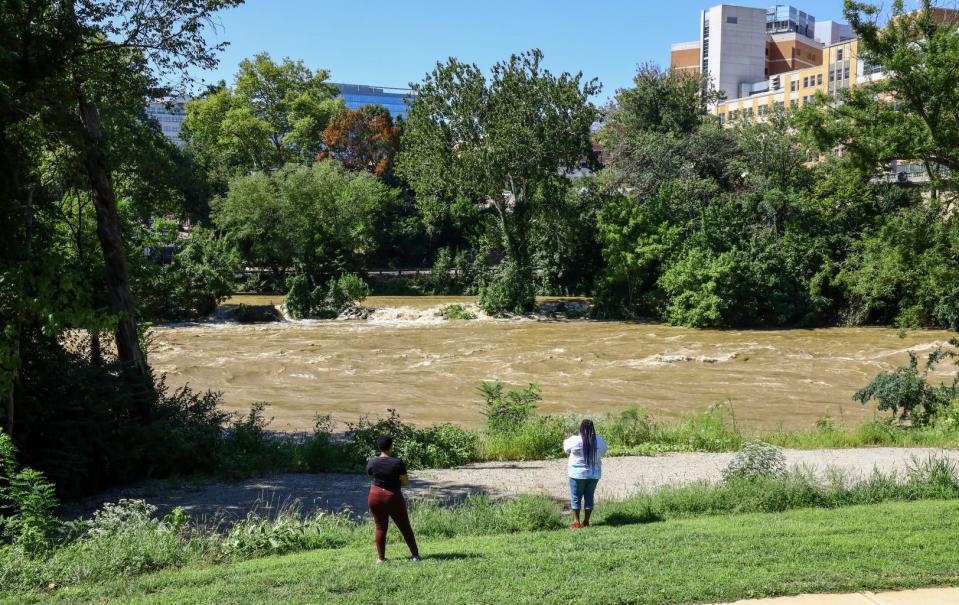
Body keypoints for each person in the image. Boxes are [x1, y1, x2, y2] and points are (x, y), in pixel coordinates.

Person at [366, 435, 420, 562]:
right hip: (392, 497)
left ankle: (381, 558)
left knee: (380, 527)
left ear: (379, 447)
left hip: (375, 496)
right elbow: (405, 482)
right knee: (405, 527)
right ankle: (415, 556)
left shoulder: (372, 462)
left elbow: (371, 477)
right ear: (391, 446)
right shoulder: (397, 462)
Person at [563, 419, 607, 528]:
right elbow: (604, 451)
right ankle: (586, 521)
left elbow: (566, 448)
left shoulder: (574, 440)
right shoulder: (599, 440)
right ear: (593, 428)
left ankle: (576, 522)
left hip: (576, 474)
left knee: (575, 497)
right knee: (589, 497)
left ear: (580, 428)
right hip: (594, 474)